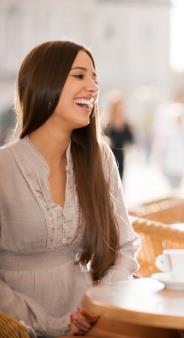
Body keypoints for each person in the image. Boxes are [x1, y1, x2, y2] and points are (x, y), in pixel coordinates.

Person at [0, 40, 140, 337]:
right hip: (18, 325)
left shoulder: (100, 158)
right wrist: (46, 326)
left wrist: (96, 304)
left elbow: (126, 248)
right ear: (45, 82)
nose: (93, 87)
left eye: (94, 78)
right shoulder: (4, 167)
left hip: (91, 318)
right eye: (79, 75)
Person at [104, 92, 134, 179]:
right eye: (118, 105)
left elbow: (131, 140)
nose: (121, 107)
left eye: (121, 105)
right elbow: (102, 137)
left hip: (120, 156)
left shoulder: (126, 124)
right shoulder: (107, 123)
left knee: (119, 179)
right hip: (108, 156)